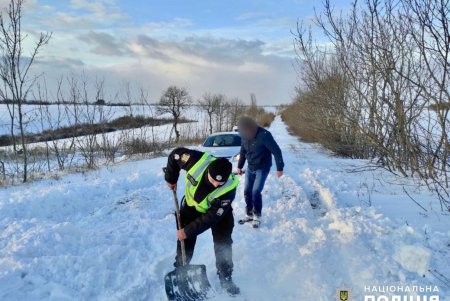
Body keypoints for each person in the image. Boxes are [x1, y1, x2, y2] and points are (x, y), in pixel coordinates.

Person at [164, 147, 240, 295]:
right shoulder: (196, 160)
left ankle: (226, 278)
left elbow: (211, 218)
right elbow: (175, 155)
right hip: (192, 207)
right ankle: (181, 268)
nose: (215, 185)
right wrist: (171, 178)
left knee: (222, 244)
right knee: (185, 241)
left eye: (220, 183)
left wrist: (187, 231)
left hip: (218, 214)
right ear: (208, 172)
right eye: (212, 180)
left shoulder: (229, 189)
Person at [236, 116, 284, 228]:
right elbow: (243, 151)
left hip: (262, 167)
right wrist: (239, 166)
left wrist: (279, 168)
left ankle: (257, 215)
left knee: (256, 191)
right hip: (250, 166)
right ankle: (249, 214)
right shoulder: (244, 135)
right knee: (247, 191)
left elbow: (276, 151)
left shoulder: (264, 135)